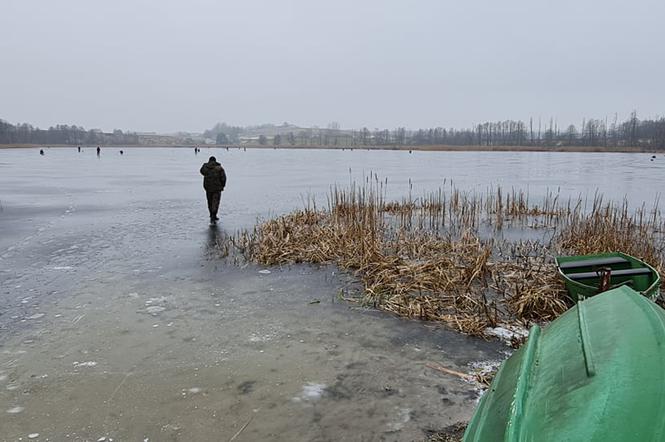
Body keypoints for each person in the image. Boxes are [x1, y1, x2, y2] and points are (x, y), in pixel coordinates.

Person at [200, 156, 227, 224]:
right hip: (217, 188)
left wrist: (205, 165)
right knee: (215, 202)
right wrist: (222, 185)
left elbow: (201, 171)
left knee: (209, 202)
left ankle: (211, 215)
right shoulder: (219, 168)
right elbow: (223, 178)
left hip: (208, 188)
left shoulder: (205, 167)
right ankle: (214, 215)